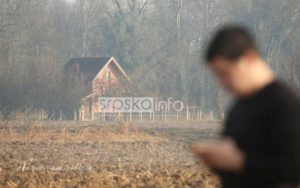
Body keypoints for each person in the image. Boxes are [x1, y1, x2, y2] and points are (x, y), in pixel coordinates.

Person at [192, 25, 300, 188]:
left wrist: (239, 162)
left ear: (249, 58)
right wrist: (217, 159)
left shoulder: (283, 104)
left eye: (225, 73)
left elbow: (293, 168)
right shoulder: (238, 107)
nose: (222, 82)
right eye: (217, 76)